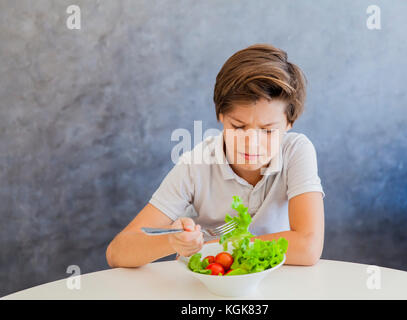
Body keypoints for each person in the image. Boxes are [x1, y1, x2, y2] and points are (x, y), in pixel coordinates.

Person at [106, 43, 325, 268]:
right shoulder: (195, 164)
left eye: (268, 130)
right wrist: (172, 241)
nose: (251, 143)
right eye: (238, 126)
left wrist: (215, 245)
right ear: (221, 115)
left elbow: (308, 247)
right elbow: (118, 253)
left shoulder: (296, 150)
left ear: (290, 123)